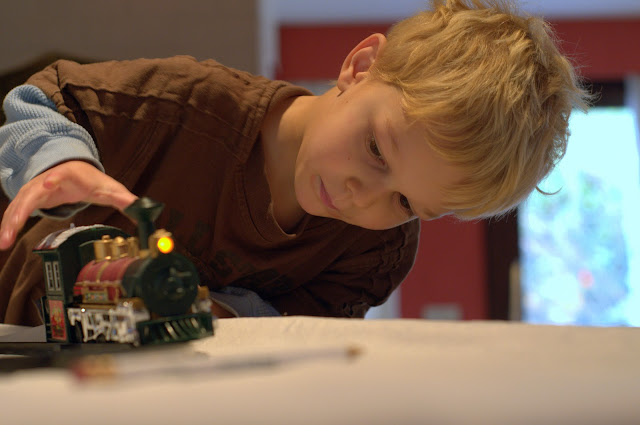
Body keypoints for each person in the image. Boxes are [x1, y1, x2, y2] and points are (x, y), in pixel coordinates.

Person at [0, 0, 590, 325]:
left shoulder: (375, 253)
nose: (362, 195)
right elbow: (45, 95)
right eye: (376, 149)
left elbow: (297, 332)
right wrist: (57, 157)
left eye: (407, 202)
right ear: (361, 67)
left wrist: (217, 311)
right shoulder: (185, 104)